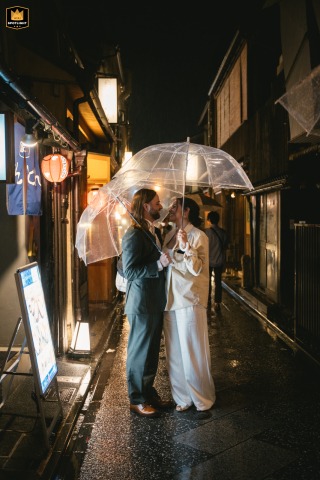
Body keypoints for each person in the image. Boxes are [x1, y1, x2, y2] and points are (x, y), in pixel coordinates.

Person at [162, 196, 216, 419]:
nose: (171, 209)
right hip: (170, 298)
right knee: (174, 352)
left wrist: (185, 246)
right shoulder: (169, 234)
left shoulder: (198, 236)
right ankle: (182, 397)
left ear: (187, 212)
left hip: (190, 299)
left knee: (192, 349)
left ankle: (201, 397)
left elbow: (197, 268)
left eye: (175, 206)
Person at [121, 188, 173, 418]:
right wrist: (157, 265)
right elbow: (129, 270)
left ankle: (148, 393)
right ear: (145, 206)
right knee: (138, 352)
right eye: (157, 203)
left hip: (154, 300)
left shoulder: (151, 231)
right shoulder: (133, 234)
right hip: (141, 302)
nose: (160, 207)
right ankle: (136, 399)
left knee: (151, 351)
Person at [205, 211, 228, 312]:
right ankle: (217, 302)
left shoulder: (206, 232)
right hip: (219, 260)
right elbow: (225, 248)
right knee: (218, 282)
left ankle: (207, 299)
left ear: (209, 220)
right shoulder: (223, 232)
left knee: (207, 281)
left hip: (208, 261)